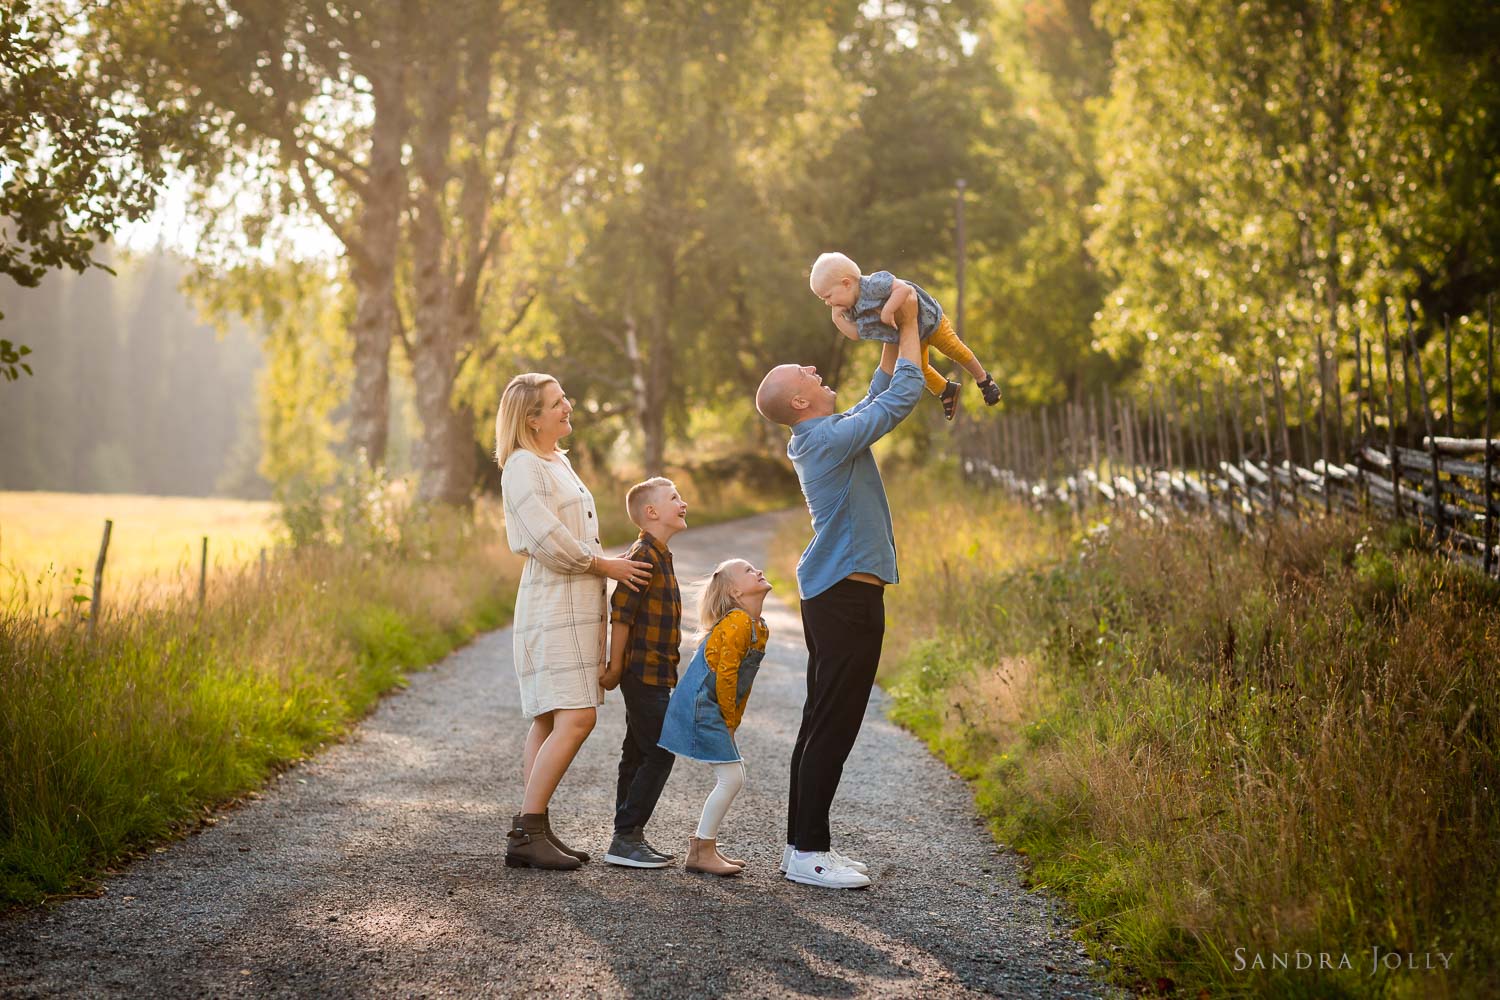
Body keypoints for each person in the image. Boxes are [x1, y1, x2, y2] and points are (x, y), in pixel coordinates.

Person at [754, 306, 923, 889]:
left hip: (840, 595)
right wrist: (908, 331)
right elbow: (898, 402)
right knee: (833, 724)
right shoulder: (824, 439)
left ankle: (802, 847)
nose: (811, 366)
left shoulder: (824, 435)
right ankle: (807, 852)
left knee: (820, 722)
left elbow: (877, 396)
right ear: (800, 404)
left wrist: (888, 338)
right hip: (845, 598)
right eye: (803, 374)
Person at [495, 372, 652, 871]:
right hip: (553, 602)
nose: (568, 406)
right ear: (531, 418)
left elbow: (572, 534)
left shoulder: (557, 461)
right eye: (557, 402)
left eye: (565, 398)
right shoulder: (522, 467)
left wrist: (605, 567)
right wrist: (607, 566)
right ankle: (527, 830)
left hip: (576, 600)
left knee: (549, 716)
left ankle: (532, 826)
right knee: (577, 715)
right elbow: (546, 539)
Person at [657, 559, 773, 877]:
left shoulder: (759, 626)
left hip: (715, 706)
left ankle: (705, 846)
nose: (758, 571)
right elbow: (726, 678)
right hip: (701, 705)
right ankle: (701, 850)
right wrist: (728, 719)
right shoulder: (736, 622)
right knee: (732, 777)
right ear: (735, 591)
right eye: (748, 571)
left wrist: (734, 721)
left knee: (732, 776)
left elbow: (742, 686)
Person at [600, 477, 690, 869]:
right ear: (651, 512)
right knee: (660, 750)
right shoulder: (643, 555)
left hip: (657, 672)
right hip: (641, 672)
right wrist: (615, 666)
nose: (683, 503)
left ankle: (626, 836)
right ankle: (627, 835)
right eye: (675, 498)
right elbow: (622, 615)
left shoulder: (661, 553)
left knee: (637, 751)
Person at [808, 250, 1001, 420]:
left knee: (954, 349)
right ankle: (946, 390)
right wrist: (838, 320)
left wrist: (888, 310)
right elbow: (856, 334)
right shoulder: (852, 310)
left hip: (929, 321)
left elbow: (905, 289)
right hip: (911, 336)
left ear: (846, 283)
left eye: (828, 296)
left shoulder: (874, 284)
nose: (827, 303)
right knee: (920, 368)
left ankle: (984, 379)